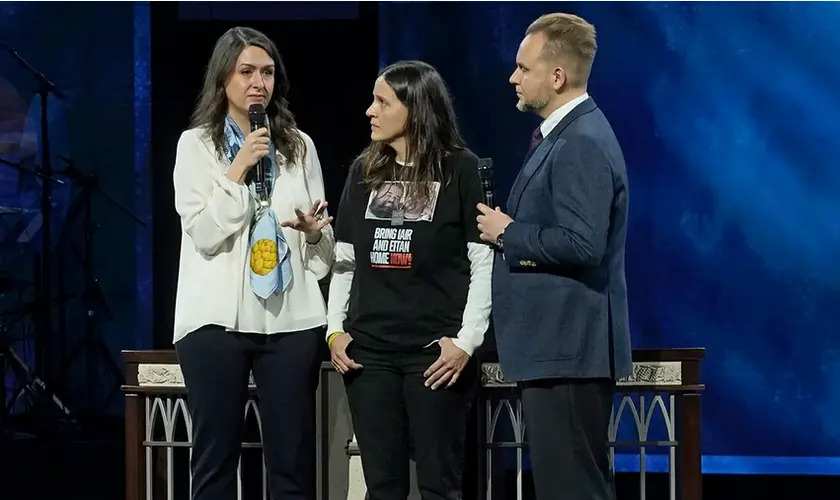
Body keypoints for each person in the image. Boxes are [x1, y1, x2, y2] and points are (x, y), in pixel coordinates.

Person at [172, 26, 335, 500]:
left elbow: (323, 252)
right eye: (245, 72)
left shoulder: (298, 146)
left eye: (266, 72)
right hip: (214, 322)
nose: (257, 82)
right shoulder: (196, 145)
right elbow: (203, 232)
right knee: (215, 462)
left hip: (292, 319)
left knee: (292, 462)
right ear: (223, 78)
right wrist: (237, 170)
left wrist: (314, 233)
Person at [476, 13, 632, 500]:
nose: (513, 77)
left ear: (556, 76)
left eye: (523, 68)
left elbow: (584, 243)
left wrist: (509, 233)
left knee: (572, 489)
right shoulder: (565, 135)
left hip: (568, 352)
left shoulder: (580, 141)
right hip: (558, 351)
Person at [326, 60, 493, 500]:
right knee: (383, 485)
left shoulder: (461, 169)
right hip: (370, 357)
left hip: (434, 357)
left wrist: (467, 341)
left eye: (382, 101)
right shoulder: (363, 172)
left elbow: (484, 263)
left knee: (440, 484)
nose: (369, 111)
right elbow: (345, 260)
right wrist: (334, 331)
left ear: (415, 109)